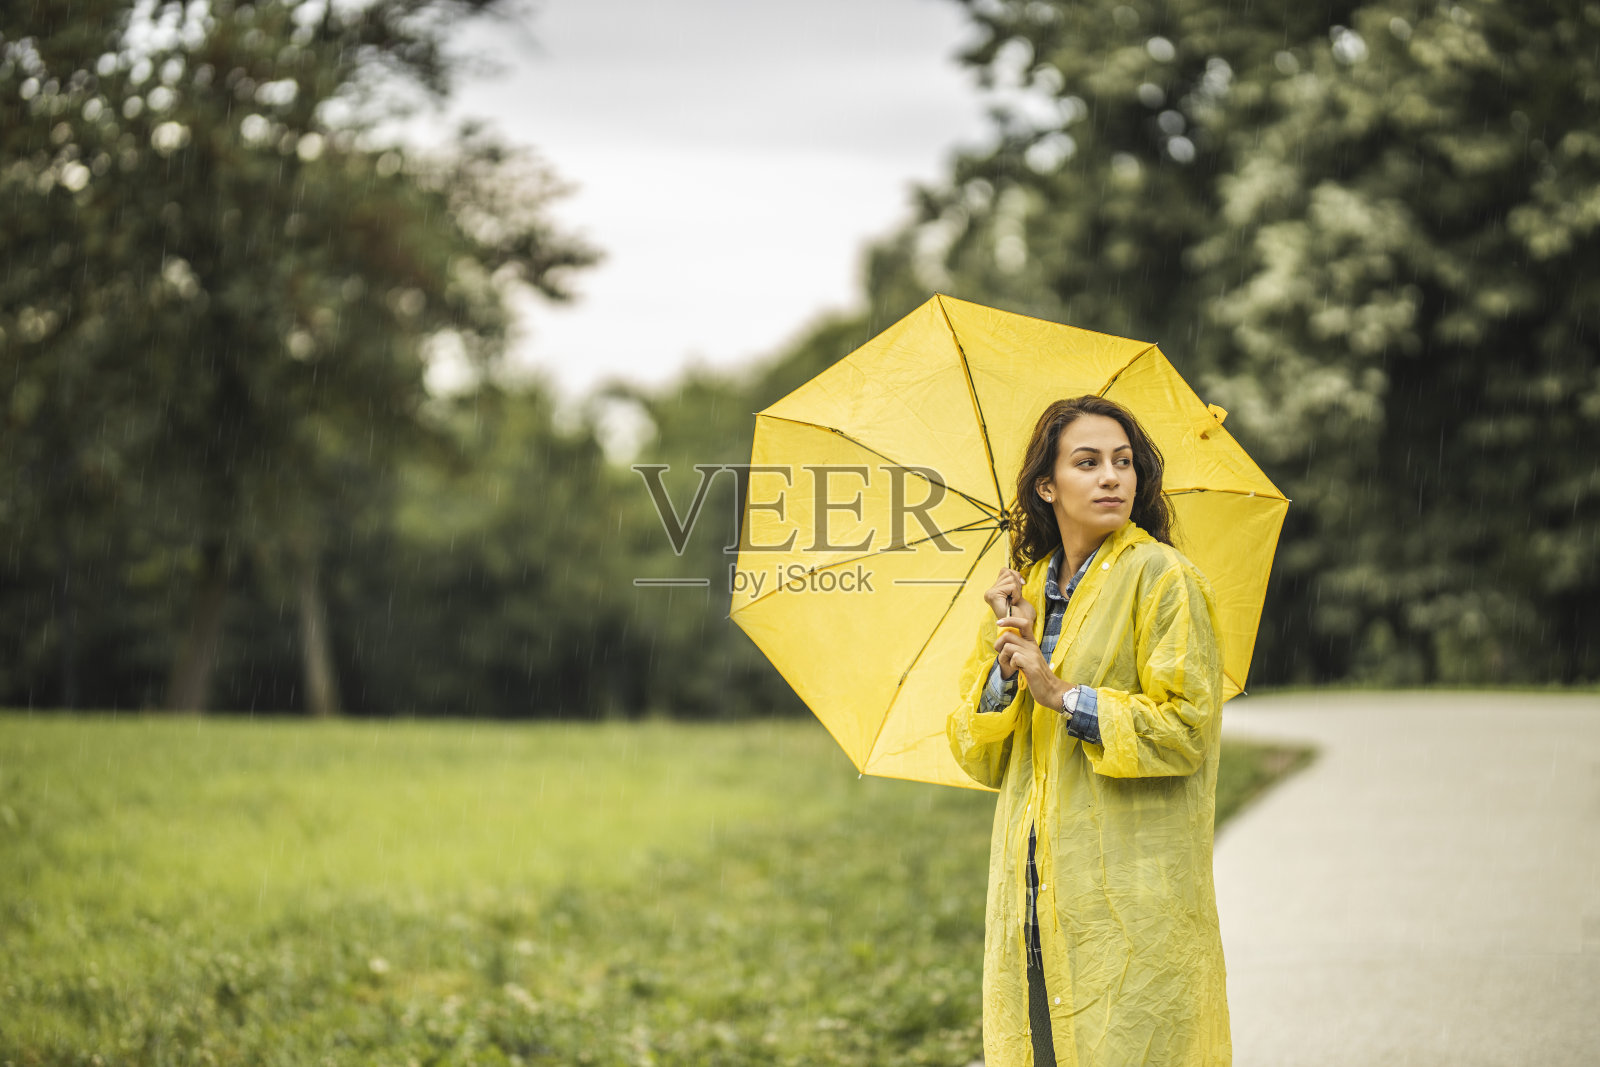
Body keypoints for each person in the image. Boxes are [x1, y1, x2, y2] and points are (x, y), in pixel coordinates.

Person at [947, 395, 1230, 1067]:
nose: (1112, 477)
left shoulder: (1163, 577)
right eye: (1088, 462)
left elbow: (1187, 728)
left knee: (1132, 1045)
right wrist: (1007, 672)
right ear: (1047, 486)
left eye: (1124, 462)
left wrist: (1062, 693)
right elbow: (978, 755)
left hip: (1132, 889)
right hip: (1033, 884)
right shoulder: (1022, 591)